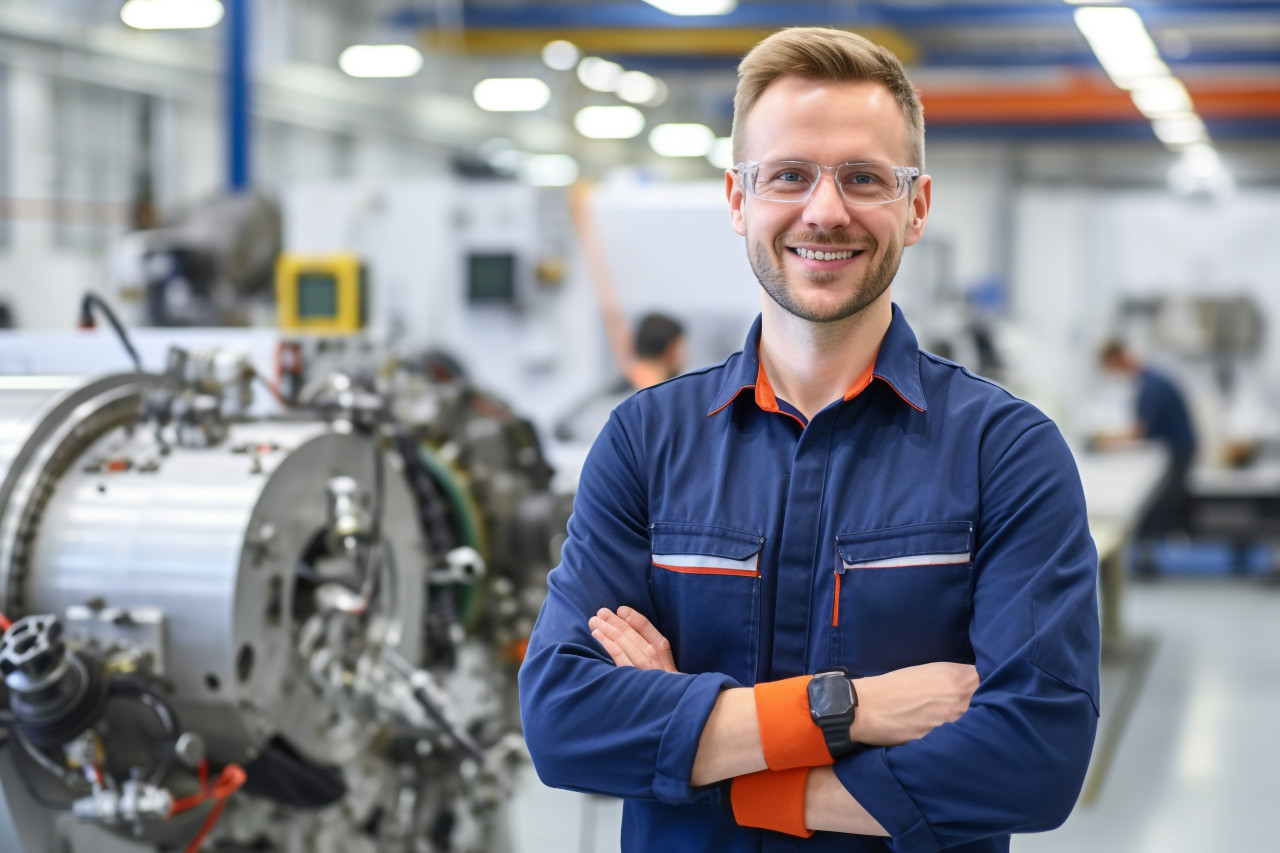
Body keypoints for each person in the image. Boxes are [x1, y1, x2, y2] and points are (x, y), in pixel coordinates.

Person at [520, 26, 1099, 852]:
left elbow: (1034, 758)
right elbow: (564, 721)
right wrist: (852, 709)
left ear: (916, 206)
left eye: (864, 178)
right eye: (789, 175)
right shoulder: (646, 441)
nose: (826, 211)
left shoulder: (1006, 453)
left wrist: (719, 768)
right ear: (737, 200)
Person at [1098, 339, 1198, 571]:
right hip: (1174, 450)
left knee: (1157, 504)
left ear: (1117, 360)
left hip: (1179, 451)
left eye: (1110, 367)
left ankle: (1149, 557)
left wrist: (1106, 442)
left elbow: (1141, 430)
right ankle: (1148, 556)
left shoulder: (1152, 386)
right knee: (1158, 502)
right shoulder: (1150, 380)